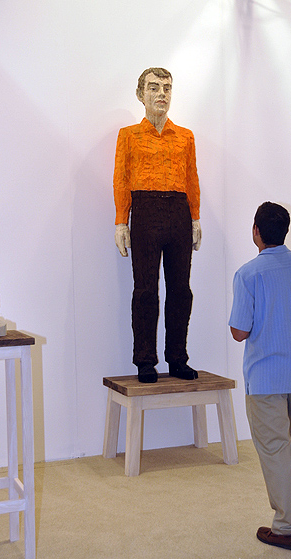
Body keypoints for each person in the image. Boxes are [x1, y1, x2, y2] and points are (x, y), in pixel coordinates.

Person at [229, 202, 291, 552]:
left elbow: (239, 332)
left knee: (275, 447)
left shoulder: (248, 274)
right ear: (285, 230)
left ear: (256, 231)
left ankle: (287, 527)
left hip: (266, 377)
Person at [113, 68, 201, 384]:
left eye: (166, 87)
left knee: (180, 289)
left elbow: (191, 178)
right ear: (141, 94)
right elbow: (121, 179)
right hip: (146, 211)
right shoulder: (129, 135)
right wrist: (121, 221)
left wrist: (195, 217)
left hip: (178, 211)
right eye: (154, 87)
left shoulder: (185, 136)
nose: (161, 93)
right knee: (146, 290)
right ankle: (145, 360)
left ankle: (177, 358)